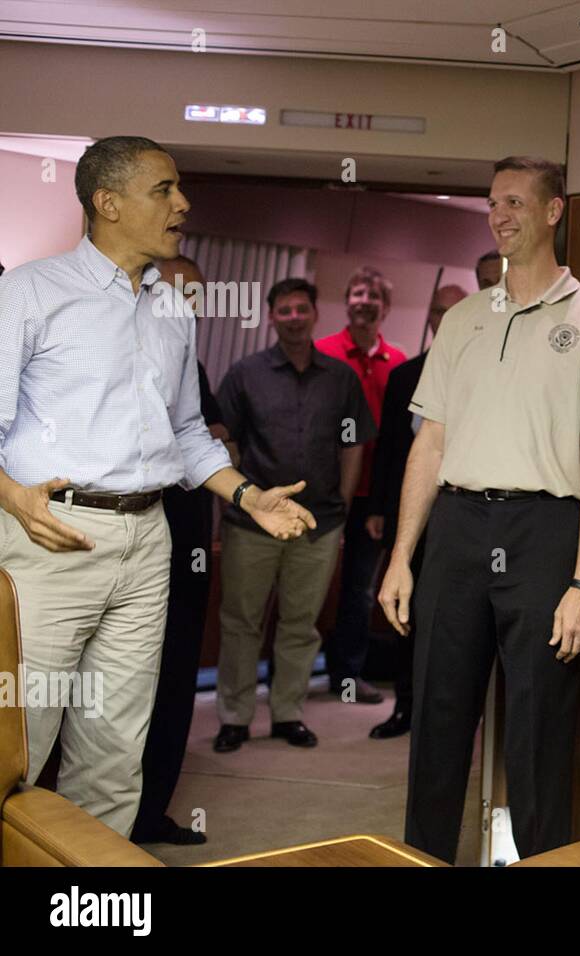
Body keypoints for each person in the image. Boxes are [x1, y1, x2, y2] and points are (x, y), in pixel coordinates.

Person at [0, 135, 315, 836]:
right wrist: (13, 497)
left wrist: (247, 494)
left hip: (149, 541)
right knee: (18, 745)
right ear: (107, 203)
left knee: (115, 753)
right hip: (50, 536)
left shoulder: (174, 309)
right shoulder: (28, 291)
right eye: (164, 190)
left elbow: (187, 435)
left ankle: (89, 905)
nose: (184, 203)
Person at [378, 156, 580, 862]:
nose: (501, 215)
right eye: (493, 203)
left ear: (554, 212)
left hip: (546, 532)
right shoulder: (460, 320)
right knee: (437, 720)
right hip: (456, 530)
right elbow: (429, 444)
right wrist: (402, 557)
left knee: (539, 730)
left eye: (516, 202)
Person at [212, 278, 377, 752]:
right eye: (283, 310)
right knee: (241, 621)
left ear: (313, 313)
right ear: (271, 317)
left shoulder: (340, 378)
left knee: (301, 623)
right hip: (253, 523)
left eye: (301, 308)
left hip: (319, 523)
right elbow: (225, 440)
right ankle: (235, 717)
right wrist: (236, 499)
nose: (293, 317)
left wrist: (343, 502)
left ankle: (288, 713)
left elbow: (352, 442)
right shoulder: (246, 374)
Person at [131, 254, 226, 845]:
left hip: (187, 532)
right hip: (129, 528)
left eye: (193, 297)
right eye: (174, 293)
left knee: (175, 672)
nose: (183, 306)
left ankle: (150, 811)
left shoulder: (188, 359)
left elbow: (211, 436)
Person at [366, 284, 468, 739]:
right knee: (405, 612)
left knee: (454, 620)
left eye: (453, 310)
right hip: (411, 514)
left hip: (462, 515)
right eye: (437, 310)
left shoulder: (479, 369)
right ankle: (403, 706)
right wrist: (380, 510)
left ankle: (450, 714)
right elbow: (390, 449)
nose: (444, 318)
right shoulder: (406, 374)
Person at [316, 267, 407, 704]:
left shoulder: (400, 363)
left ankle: (347, 677)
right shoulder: (323, 352)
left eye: (374, 294)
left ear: (385, 308)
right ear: (346, 301)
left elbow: (398, 439)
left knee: (359, 590)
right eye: (356, 292)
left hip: (372, 498)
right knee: (308, 587)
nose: (364, 300)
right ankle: (289, 676)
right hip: (322, 494)